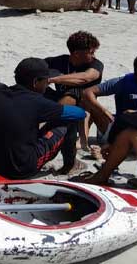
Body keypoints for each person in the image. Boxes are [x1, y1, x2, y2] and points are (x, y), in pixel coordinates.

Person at [0, 58, 86, 179]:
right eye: (47, 80)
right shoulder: (39, 103)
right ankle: (70, 165)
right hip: (21, 169)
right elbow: (80, 114)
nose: (48, 83)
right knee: (67, 121)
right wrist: (61, 103)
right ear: (35, 82)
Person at [44, 31, 104, 173]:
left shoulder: (96, 65)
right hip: (60, 103)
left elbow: (85, 78)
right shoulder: (57, 62)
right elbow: (31, 69)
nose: (94, 55)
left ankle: (69, 162)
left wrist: (53, 79)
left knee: (73, 94)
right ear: (76, 53)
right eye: (91, 52)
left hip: (84, 108)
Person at [80, 52, 137, 136]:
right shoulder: (123, 82)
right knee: (87, 101)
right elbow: (87, 92)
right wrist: (104, 112)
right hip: (120, 126)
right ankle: (82, 140)